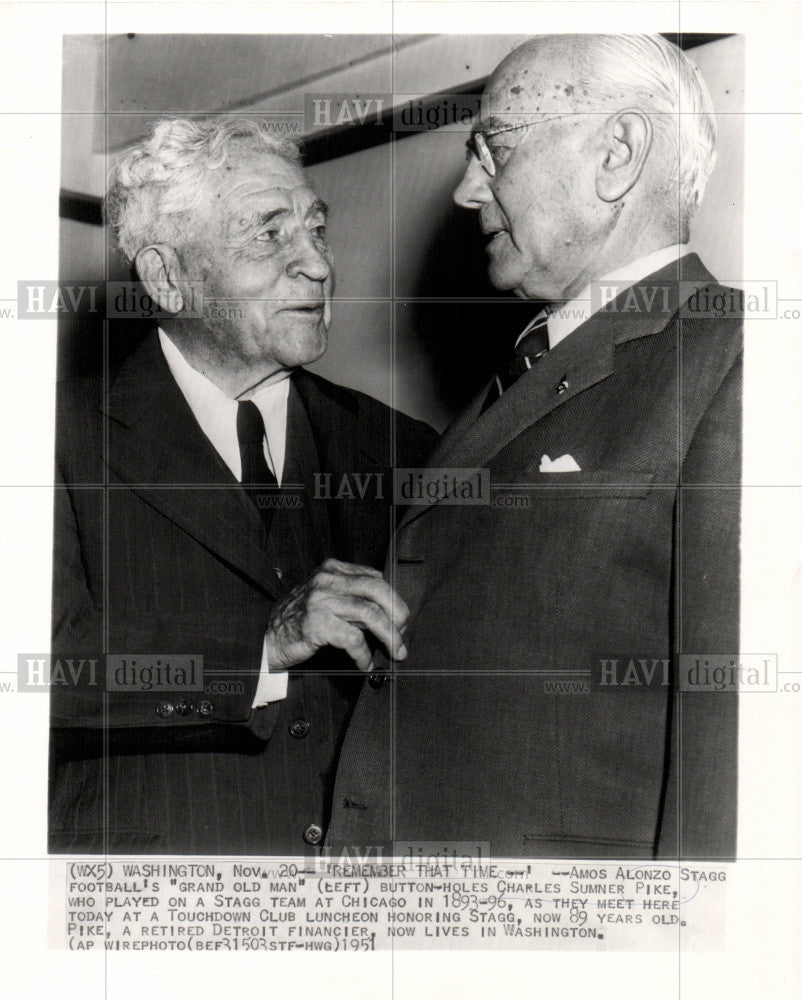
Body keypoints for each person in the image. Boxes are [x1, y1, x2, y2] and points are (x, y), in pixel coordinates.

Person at [328, 34, 742, 860]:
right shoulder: (516, 376)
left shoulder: (736, 357)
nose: (463, 190)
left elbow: (731, 767)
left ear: (615, 155)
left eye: (495, 150)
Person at [49, 117, 436, 855]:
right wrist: (260, 646)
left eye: (316, 229)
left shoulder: (405, 452)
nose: (318, 266)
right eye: (271, 234)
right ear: (167, 277)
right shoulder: (52, 442)